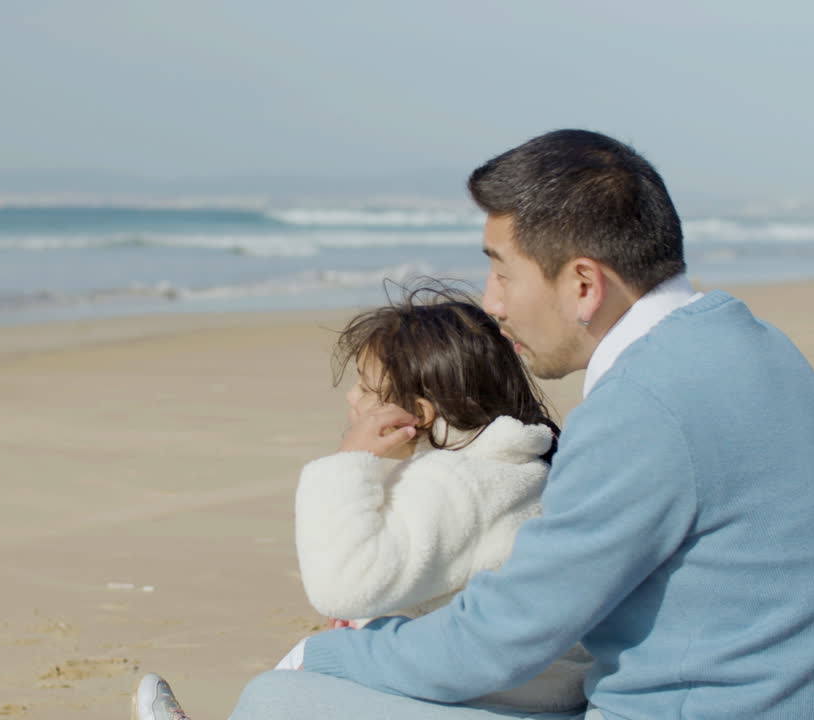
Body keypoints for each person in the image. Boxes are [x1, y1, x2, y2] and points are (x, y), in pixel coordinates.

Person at [226, 129, 814, 719]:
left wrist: (324, 652)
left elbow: (493, 644)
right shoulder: (746, 344)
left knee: (277, 701)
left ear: (583, 285)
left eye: (502, 273)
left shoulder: (643, 408)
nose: (491, 305)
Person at [133, 286, 592, 719]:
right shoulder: (520, 465)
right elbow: (435, 574)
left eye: (368, 389)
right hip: (528, 693)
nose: (353, 398)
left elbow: (341, 585)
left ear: (419, 413)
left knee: (272, 697)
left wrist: (349, 463)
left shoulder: (453, 481)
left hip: (499, 703)